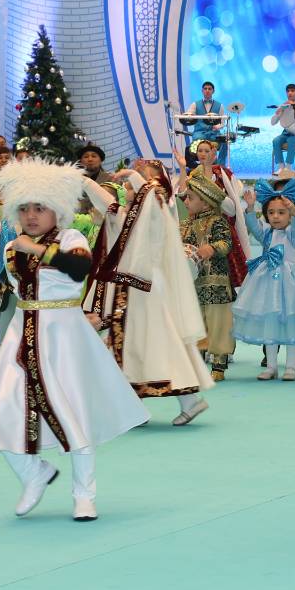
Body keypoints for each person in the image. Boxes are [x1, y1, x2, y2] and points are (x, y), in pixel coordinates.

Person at [0, 157, 149, 522]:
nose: (31, 216)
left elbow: (79, 269)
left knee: (74, 414)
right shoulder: (13, 247)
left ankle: (84, 494)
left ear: (57, 209)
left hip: (64, 336)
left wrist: (37, 250)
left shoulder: (70, 238)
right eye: (24, 208)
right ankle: (33, 473)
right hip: (22, 336)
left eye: (39, 208)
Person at [81, 162, 213, 426]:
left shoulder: (157, 206)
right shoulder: (131, 216)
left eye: (136, 183)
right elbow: (108, 205)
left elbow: (149, 193)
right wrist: (84, 182)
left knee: (156, 341)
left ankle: (187, 400)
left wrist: (134, 175)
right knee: (133, 344)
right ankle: (138, 406)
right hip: (133, 288)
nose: (128, 187)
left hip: (147, 287)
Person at [236, 172, 295, 380]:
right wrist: (250, 208)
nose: (276, 217)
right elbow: (254, 228)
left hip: (290, 282)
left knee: (291, 323)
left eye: (281, 212)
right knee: (270, 321)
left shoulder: (293, 234)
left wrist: (294, 213)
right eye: (271, 213)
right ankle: (271, 366)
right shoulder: (268, 233)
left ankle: (290, 366)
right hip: (268, 280)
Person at [181, 173, 237, 383]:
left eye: (190, 198)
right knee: (196, 322)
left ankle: (219, 366)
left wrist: (212, 248)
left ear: (205, 202)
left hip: (216, 284)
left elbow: (226, 243)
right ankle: (197, 363)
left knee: (218, 323)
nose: (186, 202)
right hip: (193, 284)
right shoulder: (185, 224)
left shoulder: (217, 221)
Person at [174, 138, 251, 290]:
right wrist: (183, 168)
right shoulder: (194, 175)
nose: (203, 154)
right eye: (200, 151)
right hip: (200, 227)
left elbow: (231, 205)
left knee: (226, 264)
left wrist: (209, 174)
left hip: (220, 225)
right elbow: (183, 195)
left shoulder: (222, 174)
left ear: (214, 154)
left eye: (206, 151)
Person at [187, 81, 229, 166]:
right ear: (202, 91)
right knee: (198, 139)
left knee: (225, 141)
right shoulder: (195, 104)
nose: (207, 90)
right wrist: (189, 116)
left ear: (213, 91)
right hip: (200, 133)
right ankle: (200, 164)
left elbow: (222, 122)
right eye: (205, 89)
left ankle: (220, 165)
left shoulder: (220, 106)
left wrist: (218, 126)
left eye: (209, 89)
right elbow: (188, 116)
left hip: (214, 133)